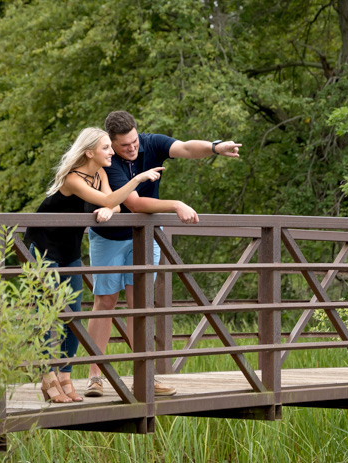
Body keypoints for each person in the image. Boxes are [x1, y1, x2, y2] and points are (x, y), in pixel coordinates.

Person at [85, 110, 241, 397]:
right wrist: (176, 204)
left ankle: (144, 377)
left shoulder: (150, 143)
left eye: (134, 142)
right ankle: (96, 376)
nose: (131, 148)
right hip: (109, 237)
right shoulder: (106, 160)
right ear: (111, 142)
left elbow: (184, 148)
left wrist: (215, 147)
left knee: (140, 304)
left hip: (144, 237)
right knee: (104, 301)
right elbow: (133, 203)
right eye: (124, 145)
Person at [24, 127, 163, 403]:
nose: (112, 152)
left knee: (73, 317)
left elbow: (116, 205)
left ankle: (65, 376)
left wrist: (110, 209)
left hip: (69, 252)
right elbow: (112, 198)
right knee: (48, 315)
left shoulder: (99, 173)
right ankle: (47, 377)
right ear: (89, 152)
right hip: (43, 250)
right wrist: (137, 180)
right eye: (106, 148)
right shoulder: (74, 178)